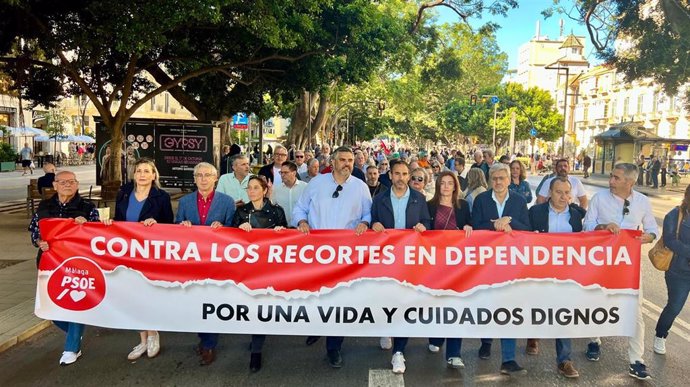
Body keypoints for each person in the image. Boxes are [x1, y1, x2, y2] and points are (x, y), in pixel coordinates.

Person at [292, 146, 372, 368]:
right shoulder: (316, 184)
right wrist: (302, 222)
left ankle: (334, 347)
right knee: (317, 295)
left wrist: (365, 223)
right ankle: (317, 328)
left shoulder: (361, 187)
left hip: (347, 254)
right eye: (343, 160)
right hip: (318, 252)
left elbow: (368, 213)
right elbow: (299, 209)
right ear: (333, 162)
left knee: (339, 300)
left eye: (350, 160)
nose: (347, 164)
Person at [583, 163, 658, 380]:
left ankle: (637, 360)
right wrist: (603, 226)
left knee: (635, 310)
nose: (611, 181)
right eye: (611, 177)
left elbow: (652, 228)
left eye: (616, 178)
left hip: (628, 266)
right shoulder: (599, 198)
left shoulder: (642, 202)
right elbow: (587, 226)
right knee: (597, 301)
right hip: (601, 263)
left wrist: (649, 237)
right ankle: (594, 340)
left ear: (630, 182)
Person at [105, 158, 174, 361]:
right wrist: (110, 223)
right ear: (134, 174)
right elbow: (119, 220)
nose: (142, 175)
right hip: (127, 252)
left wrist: (156, 223)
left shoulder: (161, 197)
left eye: (146, 171)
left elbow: (169, 225)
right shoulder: (124, 193)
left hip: (150, 254)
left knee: (147, 294)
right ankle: (142, 339)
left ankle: (153, 333)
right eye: (138, 171)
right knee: (131, 295)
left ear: (154, 175)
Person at [28, 170, 100, 365]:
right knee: (50, 307)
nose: (68, 185)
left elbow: (99, 236)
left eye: (72, 182)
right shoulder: (44, 207)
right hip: (49, 265)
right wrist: (39, 241)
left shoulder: (87, 207)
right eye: (63, 182)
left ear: (77, 185)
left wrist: (87, 226)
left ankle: (71, 348)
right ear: (55, 185)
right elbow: (34, 231)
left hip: (78, 266)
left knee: (75, 306)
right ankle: (75, 333)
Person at [369, 159, 431, 374]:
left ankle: (399, 351)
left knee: (404, 301)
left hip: (409, 260)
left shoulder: (419, 198)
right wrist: (373, 225)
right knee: (386, 297)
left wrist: (424, 226)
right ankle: (386, 328)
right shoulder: (379, 199)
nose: (402, 178)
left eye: (405, 174)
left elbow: (427, 223)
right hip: (386, 259)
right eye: (397, 174)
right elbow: (372, 221)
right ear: (391, 175)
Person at [471, 163, 531, 375]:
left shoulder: (519, 201)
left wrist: (510, 223)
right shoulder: (480, 200)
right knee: (488, 304)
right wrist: (494, 225)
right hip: (486, 263)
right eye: (494, 178)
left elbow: (528, 229)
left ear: (508, 180)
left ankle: (508, 359)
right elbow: (474, 226)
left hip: (511, 264)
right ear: (489, 180)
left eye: (501, 178)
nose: (498, 182)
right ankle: (486, 341)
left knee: (508, 307)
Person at [175, 162, 236, 366]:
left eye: (207, 175)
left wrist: (224, 228)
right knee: (196, 301)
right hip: (192, 263)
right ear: (194, 179)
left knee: (212, 301)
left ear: (215, 177)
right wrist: (182, 226)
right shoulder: (184, 202)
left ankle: (209, 344)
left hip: (217, 263)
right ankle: (204, 337)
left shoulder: (227, 202)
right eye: (199, 175)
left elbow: (233, 231)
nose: (203, 178)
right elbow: (173, 229)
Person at [528, 176, 585, 378]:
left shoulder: (578, 215)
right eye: (559, 192)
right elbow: (522, 239)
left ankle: (564, 360)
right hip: (540, 272)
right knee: (538, 307)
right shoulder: (535, 212)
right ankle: (533, 335)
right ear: (550, 193)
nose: (564, 196)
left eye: (567, 193)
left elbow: (590, 240)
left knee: (564, 314)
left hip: (566, 275)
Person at [232, 175, 287, 372]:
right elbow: (229, 239)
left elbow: (287, 237)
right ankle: (256, 344)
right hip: (247, 268)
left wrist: (282, 230)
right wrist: (239, 229)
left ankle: (256, 349)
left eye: (256, 187)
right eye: (249, 188)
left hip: (269, 268)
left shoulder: (277, 211)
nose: (252, 191)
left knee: (262, 306)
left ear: (264, 190)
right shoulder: (241, 211)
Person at [426, 171, 473, 369]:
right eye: (442, 183)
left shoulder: (463, 207)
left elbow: (470, 227)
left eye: (449, 183)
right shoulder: (429, 206)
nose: (446, 186)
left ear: (455, 186)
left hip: (457, 265)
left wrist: (469, 227)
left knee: (456, 305)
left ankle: (454, 353)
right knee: (437, 304)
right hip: (434, 264)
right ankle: (436, 338)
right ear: (438, 186)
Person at [654, 185, 690, 356]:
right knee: (674, 307)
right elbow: (669, 241)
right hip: (679, 271)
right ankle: (660, 335)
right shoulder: (675, 215)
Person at [270, 161, 308, 226]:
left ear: (294, 173)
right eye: (281, 172)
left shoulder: (305, 187)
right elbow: (271, 208)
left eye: (285, 172)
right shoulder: (276, 189)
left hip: (301, 228)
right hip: (283, 229)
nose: (282, 175)